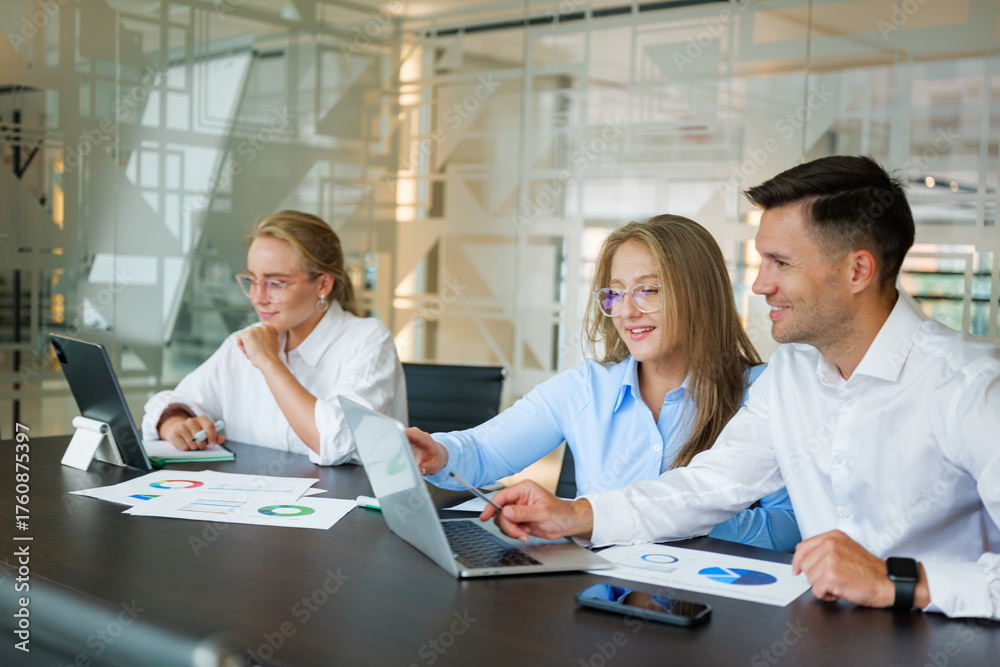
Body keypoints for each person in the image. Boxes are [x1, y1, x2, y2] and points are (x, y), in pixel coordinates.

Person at [480, 155, 1000, 620]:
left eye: (781, 263)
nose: (759, 284)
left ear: (857, 270)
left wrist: (901, 583)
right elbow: (708, 486)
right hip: (827, 634)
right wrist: (574, 514)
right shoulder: (791, 374)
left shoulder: (973, 388)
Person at [407, 214, 801, 552]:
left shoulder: (762, 393)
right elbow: (483, 450)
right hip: (598, 595)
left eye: (649, 290)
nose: (627, 311)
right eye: (615, 293)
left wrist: (680, 516)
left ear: (699, 295)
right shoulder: (586, 388)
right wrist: (439, 453)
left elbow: (790, 527)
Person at [141, 210, 407, 466]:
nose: (258, 297)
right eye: (253, 280)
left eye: (276, 284)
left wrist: (270, 363)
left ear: (323, 285)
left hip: (348, 506)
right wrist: (175, 424)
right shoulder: (245, 343)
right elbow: (176, 403)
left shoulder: (368, 341)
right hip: (257, 503)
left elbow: (335, 441)